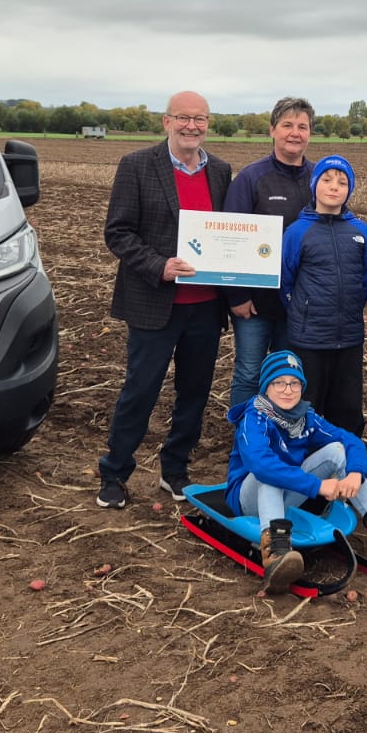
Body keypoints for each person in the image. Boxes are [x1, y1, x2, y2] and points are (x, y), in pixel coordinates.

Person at [97, 93, 233, 509]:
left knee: (194, 392)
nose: (192, 126)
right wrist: (160, 265)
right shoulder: (137, 165)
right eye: (183, 118)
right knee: (140, 390)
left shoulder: (222, 172)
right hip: (155, 302)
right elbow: (117, 232)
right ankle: (115, 472)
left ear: (208, 124)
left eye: (200, 119)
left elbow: (229, 232)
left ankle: (175, 471)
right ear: (166, 121)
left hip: (206, 305)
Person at [226, 350, 367, 593]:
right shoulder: (254, 418)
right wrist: (318, 486)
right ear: (266, 387)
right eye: (279, 383)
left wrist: (356, 472)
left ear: (302, 387)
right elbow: (261, 465)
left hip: (288, 492)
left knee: (337, 449)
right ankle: (275, 553)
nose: (287, 390)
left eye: (294, 383)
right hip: (248, 499)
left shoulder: (305, 418)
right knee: (270, 474)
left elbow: (350, 441)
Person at [222, 97, 316, 410]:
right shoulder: (251, 178)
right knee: (249, 372)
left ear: (310, 134)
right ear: (272, 130)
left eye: (302, 126)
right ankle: (244, 439)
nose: (295, 132)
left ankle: (279, 438)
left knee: (288, 376)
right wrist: (236, 296)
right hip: (255, 304)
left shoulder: (320, 180)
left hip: (300, 305)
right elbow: (229, 238)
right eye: (287, 125)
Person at [279, 155, 367, 435]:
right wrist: (305, 312)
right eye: (327, 179)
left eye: (342, 182)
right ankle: (306, 470)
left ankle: (346, 469)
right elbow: (286, 283)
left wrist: (347, 311)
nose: (334, 187)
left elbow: (366, 279)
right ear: (314, 185)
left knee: (347, 410)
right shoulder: (297, 232)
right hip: (308, 339)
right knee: (306, 407)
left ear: (350, 189)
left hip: (348, 338)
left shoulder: (361, 232)